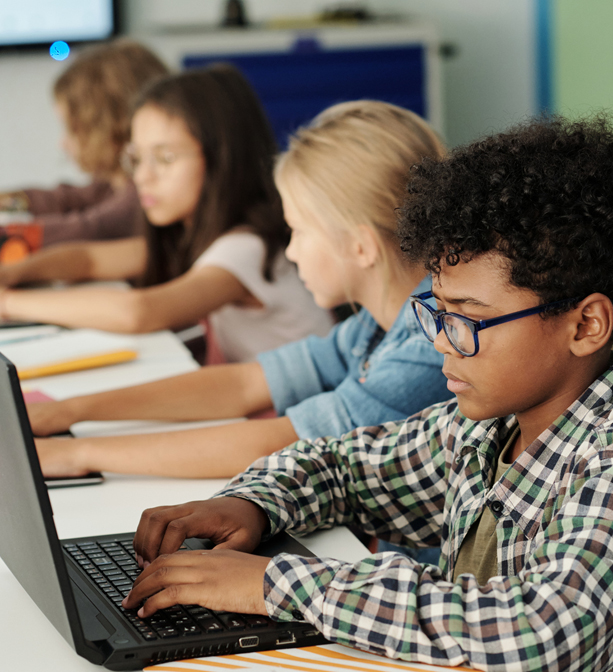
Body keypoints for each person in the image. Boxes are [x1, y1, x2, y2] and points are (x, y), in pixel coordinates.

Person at [121, 115, 613, 672]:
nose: (443, 341)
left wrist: (274, 583)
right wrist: (251, 505)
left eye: (469, 320)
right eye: (438, 311)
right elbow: (342, 465)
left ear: (585, 324)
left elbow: (540, 640)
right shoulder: (482, 426)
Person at [24, 102, 451, 499]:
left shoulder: (430, 345)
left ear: (361, 247)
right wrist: (69, 412)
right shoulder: (373, 326)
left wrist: (76, 454)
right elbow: (246, 383)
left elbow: (282, 441)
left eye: (299, 231)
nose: (291, 251)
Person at [0, 65, 333, 363]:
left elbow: (139, 313)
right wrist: (15, 273)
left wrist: (8, 303)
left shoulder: (245, 248)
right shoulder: (195, 235)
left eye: (165, 158)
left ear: (223, 158)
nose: (143, 177)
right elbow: (88, 259)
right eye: (138, 159)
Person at [0, 39, 168, 246]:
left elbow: (86, 227)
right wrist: (3, 201)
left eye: (71, 129)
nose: (62, 144)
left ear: (107, 127)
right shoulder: (112, 185)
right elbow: (63, 199)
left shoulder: (142, 194)